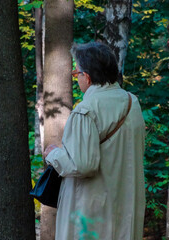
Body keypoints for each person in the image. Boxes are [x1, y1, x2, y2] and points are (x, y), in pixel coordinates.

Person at [43, 42, 145, 240]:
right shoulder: (132, 103)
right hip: (125, 203)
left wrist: (53, 153)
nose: (76, 77)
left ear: (87, 77)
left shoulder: (86, 110)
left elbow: (83, 165)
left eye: (76, 73)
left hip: (89, 212)